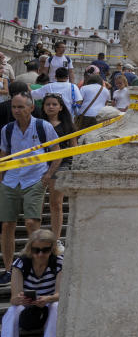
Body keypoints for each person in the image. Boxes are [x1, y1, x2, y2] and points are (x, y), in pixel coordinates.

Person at [0, 93, 60, 285]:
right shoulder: (7, 129)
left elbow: (57, 152)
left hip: (35, 178)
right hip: (11, 180)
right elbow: (4, 154)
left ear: (31, 108)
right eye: (14, 107)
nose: (17, 111)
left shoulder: (43, 126)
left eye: (20, 107)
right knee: (7, 225)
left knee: (31, 222)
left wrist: (48, 175)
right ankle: (9, 268)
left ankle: (38, 266)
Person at [0, 229, 62, 337]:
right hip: (27, 306)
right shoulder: (21, 263)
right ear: (30, 249)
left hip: (49, 302)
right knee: (12, 312)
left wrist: (47, 299)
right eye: (36, 250)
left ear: (52, 249)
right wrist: (22, 299)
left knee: (56, 307)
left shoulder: (59, 262)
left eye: (45, 250)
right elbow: (14, 298)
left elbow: (60, 294)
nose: (40, 254)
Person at [40, 95, 75, 247]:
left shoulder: (68, 125)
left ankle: (56, 238)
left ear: (61, 107)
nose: (51, 107)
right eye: (48, 104)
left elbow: (74, 147)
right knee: (38, 204)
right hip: (39, 165)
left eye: (54, 104)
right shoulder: (38, 124)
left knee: (56, 202)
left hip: (61, 165)